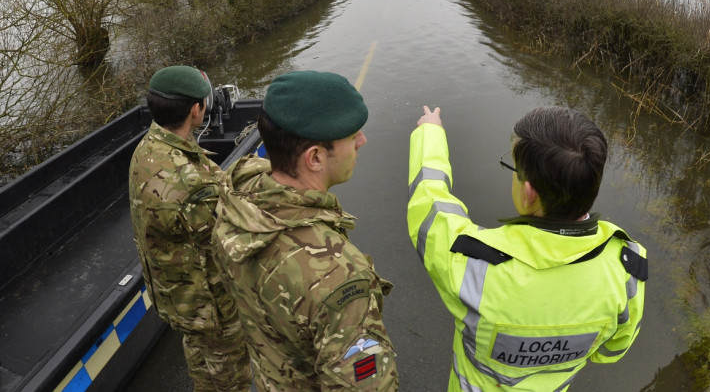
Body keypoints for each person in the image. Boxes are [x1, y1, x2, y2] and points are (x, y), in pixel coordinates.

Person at [407, 105, 648, 391]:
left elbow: (428, 202)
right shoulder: (626, 269)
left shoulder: (473, 264)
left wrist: (430, 131)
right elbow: (611, 351)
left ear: (528, 191)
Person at [211, 70, 399, 391]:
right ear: (314, 157)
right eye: (351, 136)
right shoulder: (340, 278)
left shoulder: (239, 193)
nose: (362, 141)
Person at [129, 65, 251, 391]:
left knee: (202, 369)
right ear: (196, 110)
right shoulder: (188, 180)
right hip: (211, 310)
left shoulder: (148, 148)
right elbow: (233, 236)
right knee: (230, 382)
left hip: (176, 297)